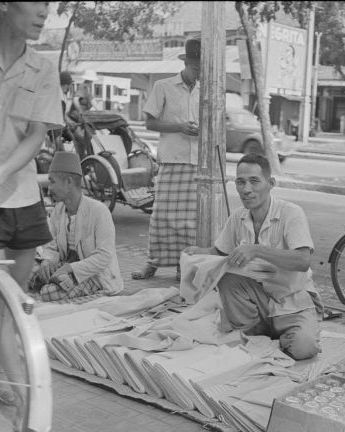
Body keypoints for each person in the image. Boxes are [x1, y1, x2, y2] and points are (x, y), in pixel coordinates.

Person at [183, 153, 323, 361]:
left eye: (254, 181)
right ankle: (256, 333)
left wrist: (256, 250)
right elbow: (218, 254)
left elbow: (302, 261)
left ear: (271, 183)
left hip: (291, 301)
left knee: (304, 348)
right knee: (227, 277)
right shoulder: (237, 217)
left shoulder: (291, 213)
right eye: (240, 182)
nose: (246, 189)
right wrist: (198, 252)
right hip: (256, 302)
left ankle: (274, 336)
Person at [0, 2, 64, 290]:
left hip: (24, 199)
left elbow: (35, 135)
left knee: (17, 301)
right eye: (36, 2)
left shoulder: (43, 69)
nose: (44, 12)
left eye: (47, 5)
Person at [132, 38, 201, 282]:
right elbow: (149, 122)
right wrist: (180, 127)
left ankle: (184, 265)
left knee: (190, 223)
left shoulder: (206, 90)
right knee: (161, 217)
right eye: (195, 67)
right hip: (172, 160)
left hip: (198, 164)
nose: (198, 72)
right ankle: (153, 263)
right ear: (186, 63)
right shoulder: (163, 86)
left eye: (202, 68)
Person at [28, 152, 123, 302]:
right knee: (27, 272)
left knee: (48, 293)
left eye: (52, 182)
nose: (49, 188)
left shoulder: (99, 211)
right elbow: (52, 246)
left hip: (95, 275)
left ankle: (48, 286)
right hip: (64, 266)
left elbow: (104, 256)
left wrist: (69, 269)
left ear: (69, 182)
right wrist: (47, 262)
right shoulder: (58, 210)